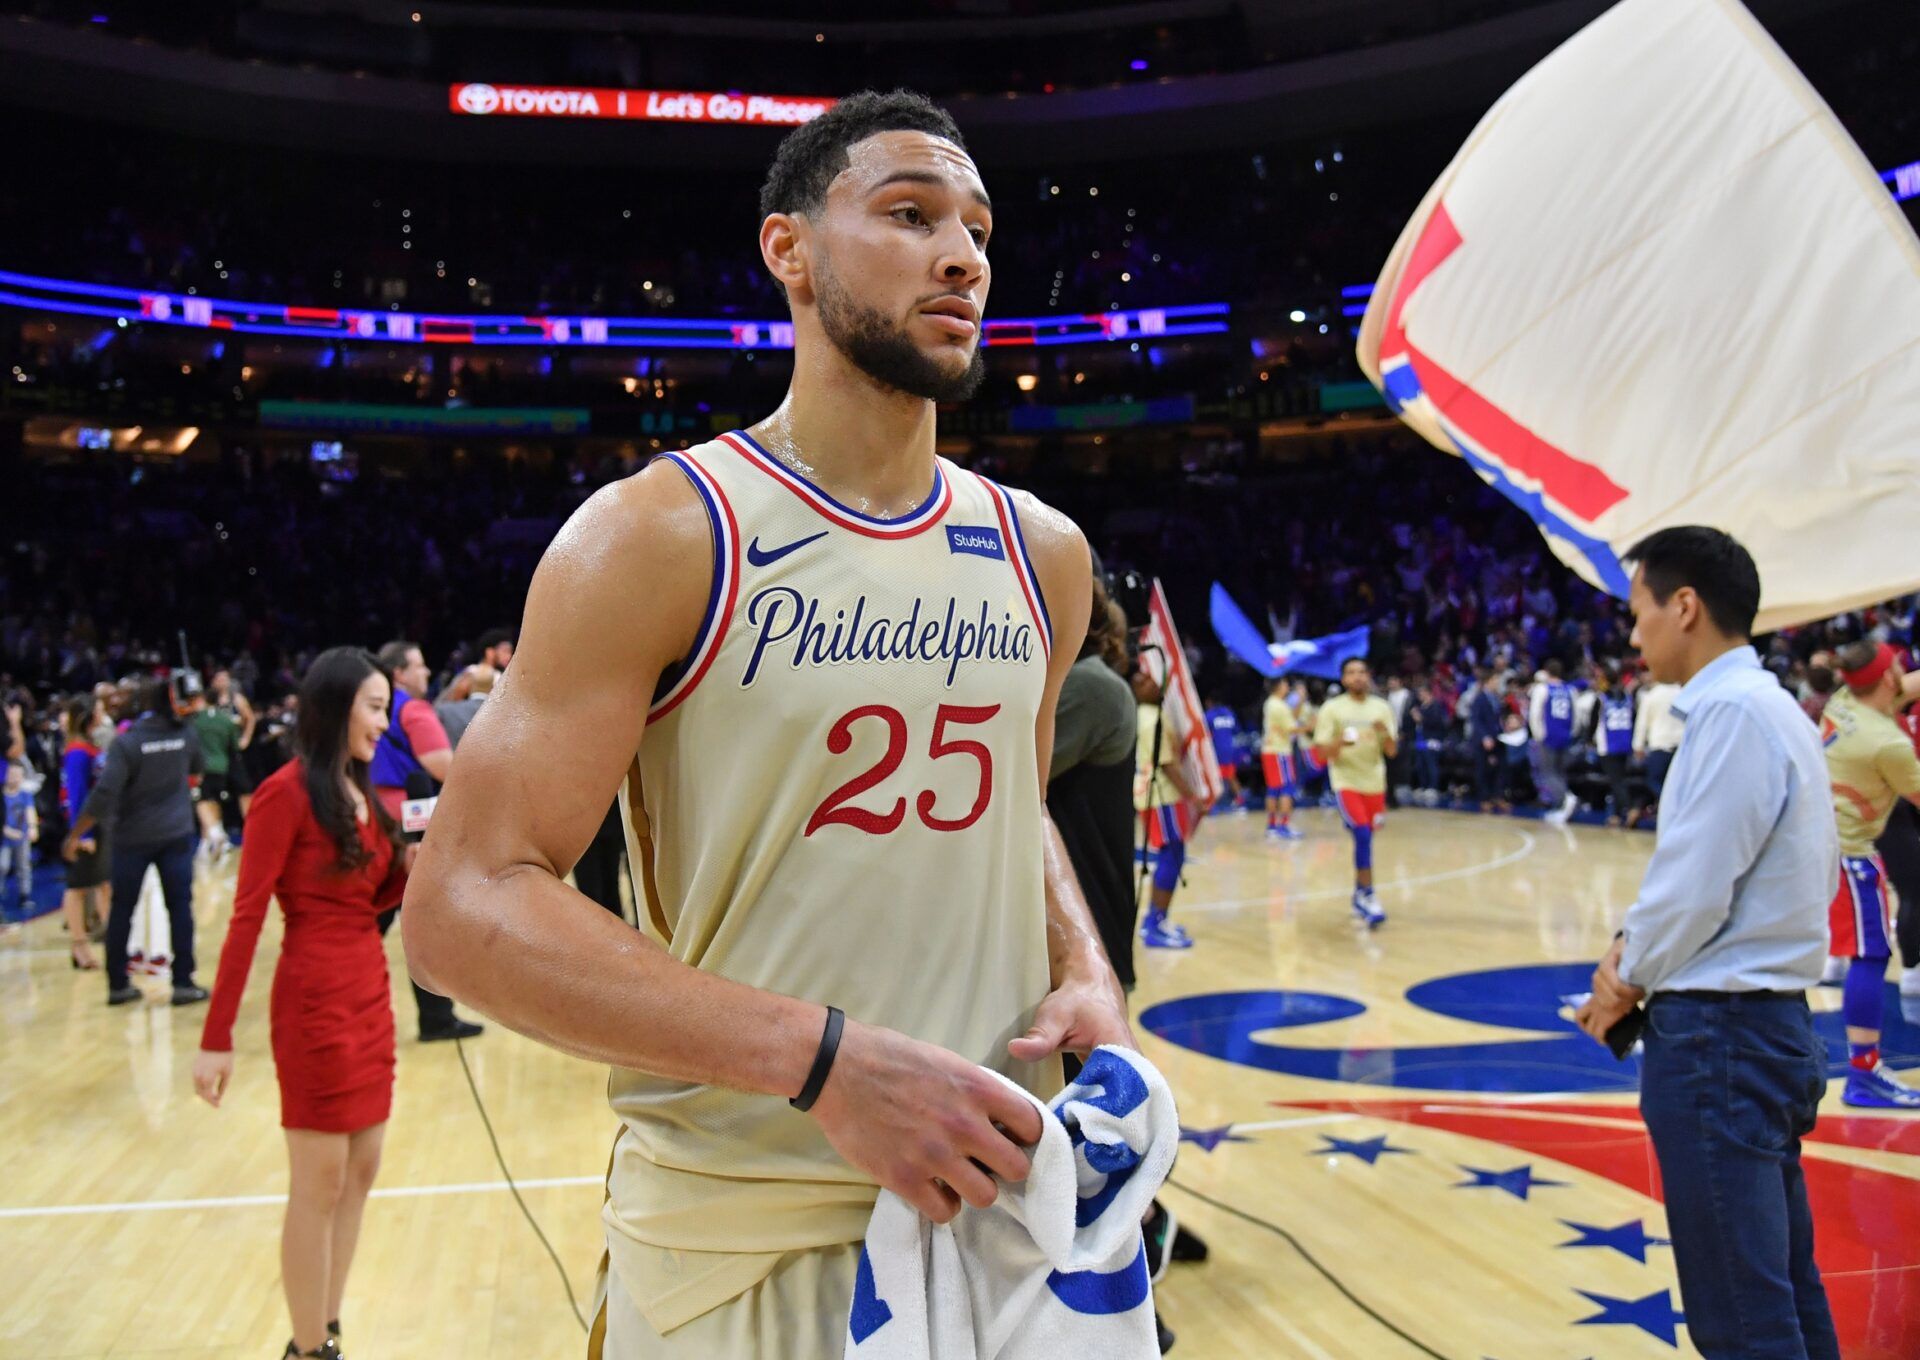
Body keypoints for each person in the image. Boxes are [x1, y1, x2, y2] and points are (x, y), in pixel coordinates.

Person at [401, 89, 1132, 1360]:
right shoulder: (662, 533)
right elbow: (459, 904)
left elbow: (1013, 812)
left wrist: (1084, 961)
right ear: (788, 250)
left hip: (1002, 1209)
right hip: (747, 1242)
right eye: (909, 214)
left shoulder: (1044, 555)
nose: (963, 254)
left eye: (978, 226)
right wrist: (826, 1060)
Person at [1575, 527, 1839, 1360]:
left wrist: (1623, 975)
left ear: (1683, 606)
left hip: (1721, 1037)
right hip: (1765, 1026)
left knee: (1741, 1319)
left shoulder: (1730, 713)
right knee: (1782, 1292)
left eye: (1637, 610)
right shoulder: (1777, 710)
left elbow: (1693, 885)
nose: (1631, 633)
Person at [193, 647, 413, 1360]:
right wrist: (216, 1036)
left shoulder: (362, 791)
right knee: (317, 1179)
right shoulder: (284, 793)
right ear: (337, 706)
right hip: (313, 998)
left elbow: (371, 899)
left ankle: (328, 1322)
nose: (386, 722)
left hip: (368, 988)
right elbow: (247, 917)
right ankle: (308, 1346)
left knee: (362, 1167)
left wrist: (412, 865)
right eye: (375, 708)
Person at [65, 672, 209, 1007]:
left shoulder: (126, 743)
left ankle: (118, 986)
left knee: (122, 911)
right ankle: (184, 983)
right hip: (175, 834)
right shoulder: (186, 735)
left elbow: (104, 794)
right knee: (180, 909)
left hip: (131, 838)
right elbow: (198, 770)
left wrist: (75, 833)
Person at [1818, 639, 1920, 1107]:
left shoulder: (1844, 702)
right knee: (1870, 954)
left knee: (1858, 951)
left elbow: (1901, 689)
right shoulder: (1888, 744)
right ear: (1887, 679)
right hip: (1851, 856)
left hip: (1820, 844)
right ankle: (1863, 1072)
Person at [370, 640, 480, 1044]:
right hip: (411, 828)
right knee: (422, 922)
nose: (427, 673)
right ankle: (437, 1018)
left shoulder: (373, 707)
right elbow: (443, 766)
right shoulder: (411, 709)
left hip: (372, 818)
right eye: (418, 666)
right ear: (398, 672)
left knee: (374, 915)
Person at [1315, 657, 1396, 927]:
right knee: (1361, 834)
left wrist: (1386, 735)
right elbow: (1321, 753)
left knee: (1366, 838)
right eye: (1351, 673)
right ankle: (1369, 895)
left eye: (1362, 672)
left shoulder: (1382, 708)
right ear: (1343, 679)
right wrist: (1340, 741)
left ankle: (1359, 893)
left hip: (1375, 783)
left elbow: (1392, 752)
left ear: (1369, 676)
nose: (1357, 677)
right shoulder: (1332, 709)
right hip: (1346, 781)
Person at [1135, 664, 1202, 950]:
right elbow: (1167, 764)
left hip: (1155, 794)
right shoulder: (1152, 719)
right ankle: (1154, 924)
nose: (1153, 684)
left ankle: (1156, 919)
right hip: (1161, 794)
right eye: (1144, 681)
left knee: (1172, 854)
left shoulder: (1148, 714)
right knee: (1172, 855)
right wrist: (1193, 796)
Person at [58, 696, 106, 968]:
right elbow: (76, 794)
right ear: (89, 715)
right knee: (77, 887)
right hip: (85, 827)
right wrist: (81, 835)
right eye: (98, 709)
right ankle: (79, 946)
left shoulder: (91, 746)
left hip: (100, 823)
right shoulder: (77, 750)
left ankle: (113, 940)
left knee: (104, 882)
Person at [191, 693, 245, 863]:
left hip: (202, 767)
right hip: (222, 766)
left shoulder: (196, 720)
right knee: (215, 801)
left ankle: (216, 833)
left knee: (201, 802)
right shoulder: (226, 720)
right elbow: (235, 745)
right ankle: (207, 840)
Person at [1530, 658, 1580, 824]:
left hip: (1548, 735)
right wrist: (1572, 733)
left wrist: (1538, 735)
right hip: (1565, 735)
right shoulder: (1570, 690)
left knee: (1548, 772)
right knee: (1559, 771)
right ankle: (1561, 807)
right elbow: (1576, 716)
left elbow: (1535, 713)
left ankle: (1566, 798)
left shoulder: (1542, 689)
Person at [1592, 665, 1639, 827]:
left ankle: (1631, 807)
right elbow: (1634, 717)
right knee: (1619, 778)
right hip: (1625, 742)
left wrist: (1589, 739)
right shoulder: (1627, 696)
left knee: (1616, 781)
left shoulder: (1601, 698)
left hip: (1608, 744)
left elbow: (1593, 722)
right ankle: (1616, 816)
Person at [1259, 675, 1302, 841]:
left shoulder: (1271, 703)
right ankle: (1283, 826)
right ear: (1279, 686)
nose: (1287, 686)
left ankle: (1272, 826)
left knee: (1273, 789)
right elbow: (1292, 728)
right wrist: (1311, 726)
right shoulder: (1280, 706)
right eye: (1285, 684)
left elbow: (1289, 719)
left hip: (1269, 751)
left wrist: (1299, 703)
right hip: (1280, 752)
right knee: (1286, 788)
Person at [1467, 665, 1507, 812]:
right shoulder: (1479, 698)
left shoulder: (1496, 698)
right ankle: (1484, 798)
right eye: (1496, 680)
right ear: (1488, 681)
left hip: (1497, 738)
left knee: (1499, 769)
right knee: (1482, 769)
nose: (1498, 683)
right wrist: (1485, 737)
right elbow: (1476, 720)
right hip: (1483, 740)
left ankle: (1498, 796)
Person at [431, 663, 495, 751]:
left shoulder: (446, 711)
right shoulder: (503, 716)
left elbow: (433, 711)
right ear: (493, 686)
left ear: (470, 685)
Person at [1, 759, 35, 916]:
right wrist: (6, 831)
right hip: (4, 838)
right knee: (3, 866)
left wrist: (33, 828)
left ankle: (24, 896)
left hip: (22, 837)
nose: (14, 778)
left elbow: (30, 811)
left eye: (18, 775)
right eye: (11, 774)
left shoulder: (25, 794)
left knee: (24, 866)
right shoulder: (2, 796)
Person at [1203, 696, 1245, 814]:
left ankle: (1211, 805)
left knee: (1212, 778)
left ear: (1209, 702)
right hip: (1231, 751)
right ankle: (1240, 801)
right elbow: (1236, 730)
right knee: (1231, 776)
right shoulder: (1229, 714)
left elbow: (1203, 733)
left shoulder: (1209, 715)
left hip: (1216, 752)